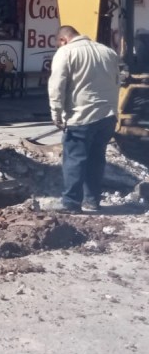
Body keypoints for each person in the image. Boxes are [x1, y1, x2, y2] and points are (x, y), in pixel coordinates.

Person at [47, 25, 120, 213]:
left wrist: (56, 114)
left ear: (63, 40)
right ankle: (92, 201)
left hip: (81, 116)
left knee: (74, 159)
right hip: (107, 116)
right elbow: (117, 82)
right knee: (96, 159)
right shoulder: (108, 52)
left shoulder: (66, 52)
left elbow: (57, 87)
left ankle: (71, 203)